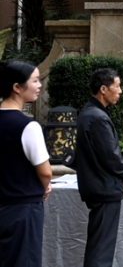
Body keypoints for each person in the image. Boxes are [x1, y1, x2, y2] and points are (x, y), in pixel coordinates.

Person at [76, 68, 123, 267]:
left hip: (98, 185)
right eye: (117, 86)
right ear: (103, 89)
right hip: (104, 187)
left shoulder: (90, 113)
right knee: (101, 249)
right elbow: (111, 156)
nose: (120, 91)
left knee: (99, 245)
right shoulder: (97, 117)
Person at [0, 60, 52, 267]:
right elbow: (45, 171)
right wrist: (44, 186)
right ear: (17, 87)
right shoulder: (28, 126)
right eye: (35, 80)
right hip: (22, 207)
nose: (39, 85)